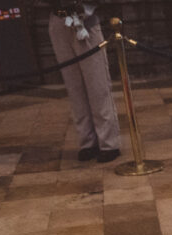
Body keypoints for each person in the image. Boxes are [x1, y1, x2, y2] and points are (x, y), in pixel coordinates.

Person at [48, 1, 120, 162]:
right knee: (74, 86)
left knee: (97, 84)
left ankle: (109, 143)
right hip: (58, 19)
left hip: (85, 19)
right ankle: (87, 142)